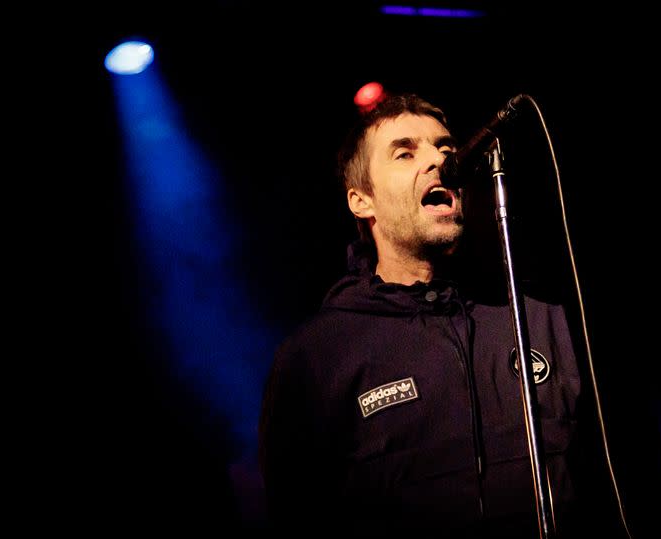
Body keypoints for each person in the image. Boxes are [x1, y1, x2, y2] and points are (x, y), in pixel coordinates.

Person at [257, 93, 627, 537]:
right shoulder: (317, 357)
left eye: (446, 149)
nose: (438, 161)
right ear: (361, 201)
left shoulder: (540, 319)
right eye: (405, 153)